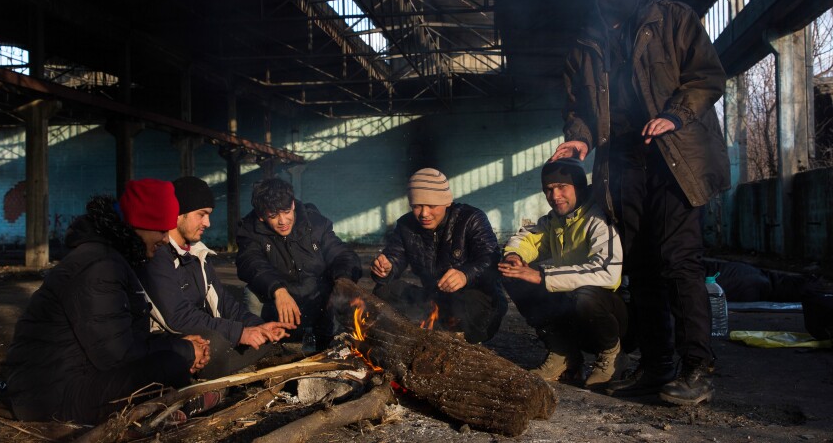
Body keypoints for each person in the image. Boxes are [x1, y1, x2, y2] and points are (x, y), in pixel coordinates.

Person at [551, 0, 730, 405]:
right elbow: (580, 113)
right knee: (643, 269)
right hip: (623, 166)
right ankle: (656, 367)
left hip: (676, 157)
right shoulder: (585, 45)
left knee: (679, 263)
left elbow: (707, 77)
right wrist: (579, 141)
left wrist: (675, 114)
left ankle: (697, 368)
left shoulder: (673, 19)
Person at [2, 179, 217, 425]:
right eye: (160, 230)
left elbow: (126, 336)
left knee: (173, 357)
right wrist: (184, 351)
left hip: (72, 379)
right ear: (139, 224)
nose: (165, 240)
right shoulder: (99, 266)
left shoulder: (115, 260)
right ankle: (161, 411)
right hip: (48, 398)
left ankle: (166, 407)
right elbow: (116, 354)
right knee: (171, 362)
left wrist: (176, 342)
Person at [139, 176, 295, 379]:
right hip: (166, 340)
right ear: (178, 214)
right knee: (216, 343)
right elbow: (178, 317)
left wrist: (256, 325)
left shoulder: (197, 253)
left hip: (200, 335)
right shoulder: (157, 255)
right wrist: (240, 333)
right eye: (201, 214)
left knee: (261, 340)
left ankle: (221, 373)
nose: (208, 223)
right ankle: (205, 385)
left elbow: (224, 303)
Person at [500, 159, 626, 387]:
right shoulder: (554, 220)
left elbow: (608, 272)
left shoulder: (599, 218)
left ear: (578, 186)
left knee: (586, 295)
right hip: (570, 309)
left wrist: (543, 276)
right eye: (548, 189)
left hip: (611, 314)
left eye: (562, 187)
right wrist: (515, 256)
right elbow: (529, 238)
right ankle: (563, 354)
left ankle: (611, 356)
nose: (554, 195)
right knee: (515, 275)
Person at [371, 168, 507, 344]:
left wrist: (465, 274)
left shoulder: (471, 218)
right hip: (435, 299)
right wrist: (385, 268)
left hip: (476, 302)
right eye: (417, 206)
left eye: (431, 206)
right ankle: (428, 333)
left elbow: (491, 259)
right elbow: (394, 257)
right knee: (383, 291)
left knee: (470, 303)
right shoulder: (406, 225)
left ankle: (461, 339)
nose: (424, 214)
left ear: (446, 202)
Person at [236, 178, 362, 350]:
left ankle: (330, 337)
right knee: (252, 294)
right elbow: (250, 262)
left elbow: (342, 254)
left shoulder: (315, 223)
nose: (283, 221)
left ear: (293, 204)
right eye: (273, 216)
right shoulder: (249, 229)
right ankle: (259, 346)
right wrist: (278, 290)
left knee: (342, 289)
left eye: (286, 211)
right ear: (262, 216)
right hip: (280, 302)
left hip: (319, 299)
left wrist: (343, 281)